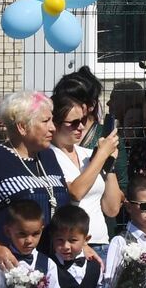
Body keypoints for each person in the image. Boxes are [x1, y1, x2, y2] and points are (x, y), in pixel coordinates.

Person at [0, 92, 71, 251]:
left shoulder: (49, 156)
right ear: (22, 127)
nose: (53, 128)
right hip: (12, 266)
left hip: (53, 262)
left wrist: (82, 245)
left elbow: (65, 210)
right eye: (45, 121)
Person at [47, 92, 122, 254]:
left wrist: (109, 165)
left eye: (82, 121)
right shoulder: (48, 156)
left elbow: (112, 209)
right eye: (73, 123)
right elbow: (75, 192)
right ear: (55, 123)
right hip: (71, 247)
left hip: (101, 242)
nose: (81, 127)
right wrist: (102, 155)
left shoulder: (88, 155)